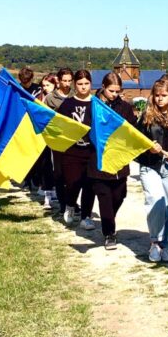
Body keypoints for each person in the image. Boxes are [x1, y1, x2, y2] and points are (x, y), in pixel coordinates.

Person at [135, 77, 168, 262]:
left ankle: (166, 246)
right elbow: (137, 140)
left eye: (164, 95)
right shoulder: (146, 116)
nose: (160, 99)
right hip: (150, 165)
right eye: (157, 95)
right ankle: (155, 242)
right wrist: (148, 147)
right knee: (156, 201)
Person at [89, 72, 136, 249]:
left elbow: (131, 129)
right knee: (104, 197)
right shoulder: (93, 105)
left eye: (117, 91)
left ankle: (109, 218)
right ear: (103, 86)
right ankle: (109, 233)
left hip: (119, 160)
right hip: (98, 159)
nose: (114, 94)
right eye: (111, 91)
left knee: (119, 195)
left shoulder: (124, 107)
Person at [55, 69, 96, 229]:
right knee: (72, 183)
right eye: (80, 84)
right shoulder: (68, 104)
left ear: (91, 84)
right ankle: (70, 204)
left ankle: (86, 216)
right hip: (72, 151)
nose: (83, 87)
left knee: (89, 185)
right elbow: (60, 126)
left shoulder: (96, 103)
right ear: (74, 84)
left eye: (86, 84)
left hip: (91, 151)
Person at [30, 73, 58, 207]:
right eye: (44, 85)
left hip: (57, 136)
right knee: (45, 165)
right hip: (43, 137)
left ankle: (56, 191)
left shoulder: (59, 99)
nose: (45, 88)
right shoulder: (39, 98)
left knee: (56, 166)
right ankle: (47, 193)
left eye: (48, 85)